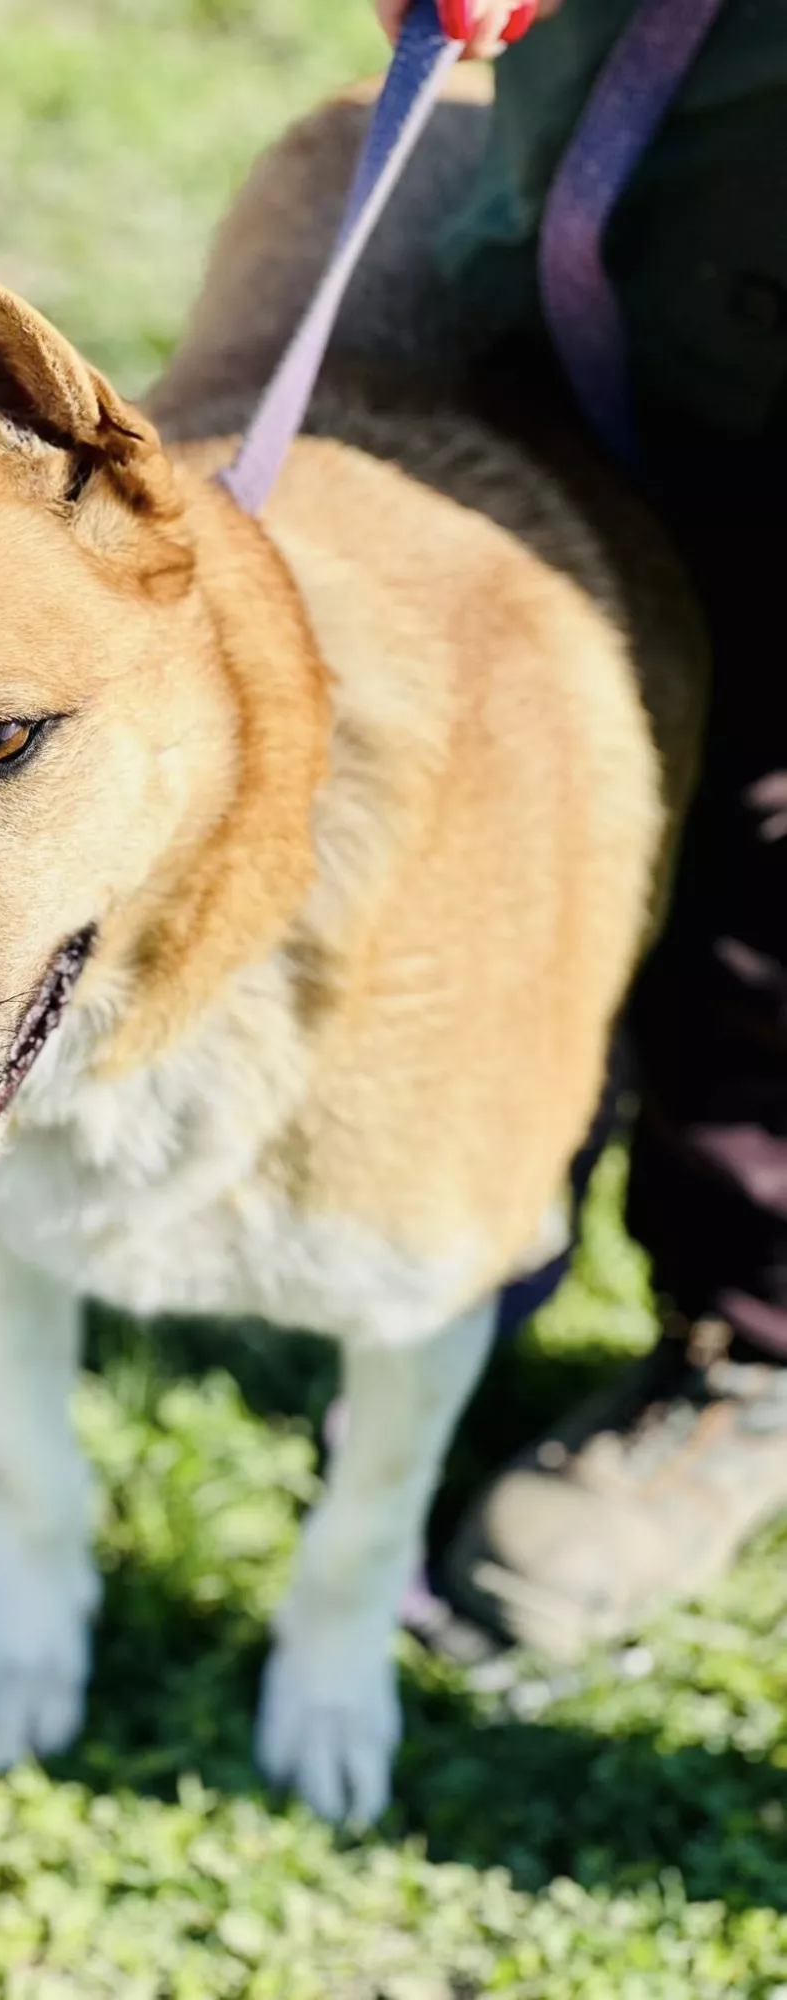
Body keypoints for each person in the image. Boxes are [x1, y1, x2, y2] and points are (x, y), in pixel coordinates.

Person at [375, 0, 787, 1658]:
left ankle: (750, 1344)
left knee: (768, 866)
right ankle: (486, 1213)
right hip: (601, 242)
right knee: (509, 767)